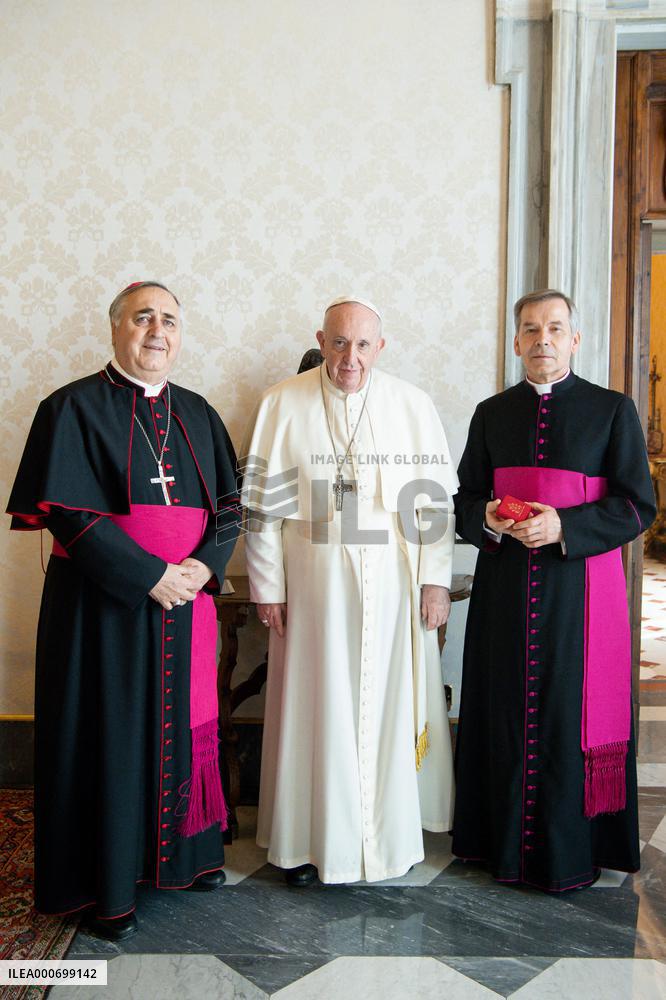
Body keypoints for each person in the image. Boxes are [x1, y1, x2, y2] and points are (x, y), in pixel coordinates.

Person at [7, 282, 240, 938]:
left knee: (182, 730)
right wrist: (148, 576)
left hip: (185, 602)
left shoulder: (200, 413)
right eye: (143, 318)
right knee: (107, 738)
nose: (157, 331)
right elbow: (70, 514)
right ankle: (103, 887)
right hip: (99, 613)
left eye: (169, 320)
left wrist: (201, 568)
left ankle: (186, 860)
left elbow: (230, 509)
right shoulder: (71, 408)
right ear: (115, 330)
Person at [241, 297, 458, 885]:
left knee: (388, 706)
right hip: (312, 591)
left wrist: (435, 582)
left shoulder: (411, 405)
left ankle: (389, 838)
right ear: (321, 338)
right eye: (339, 342)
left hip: (392, 588)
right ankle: (311, 843)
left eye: (363, 345)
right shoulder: (282, 403)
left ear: (380, 348)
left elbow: (433, 508)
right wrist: (268, 587)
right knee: (316, 705)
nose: (350, 357)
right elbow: (262, 512)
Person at [452, 289, 656, 892]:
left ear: (575, 339)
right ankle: (498, 847)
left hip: (579, 597)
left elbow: (638, 505)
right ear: (516, 342)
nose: (543, 339)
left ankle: (574, 852)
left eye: (555, 328)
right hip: (506, 592)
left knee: (569, 713)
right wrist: (487, 517)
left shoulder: (613, 409)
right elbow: (462, 500)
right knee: (505, 710)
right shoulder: (490, 413)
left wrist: (565, 524)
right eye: (531, 329)